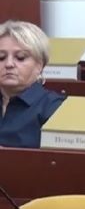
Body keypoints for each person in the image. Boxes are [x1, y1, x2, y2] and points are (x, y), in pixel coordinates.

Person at [0, 20, 65, 148]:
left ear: (39, 65)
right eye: (1, 57)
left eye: (20, 57)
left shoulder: (53, 107)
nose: (9, 64)